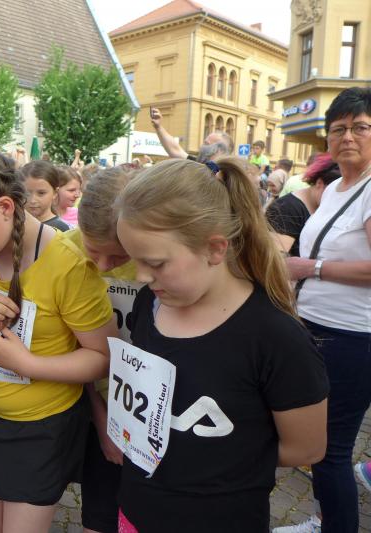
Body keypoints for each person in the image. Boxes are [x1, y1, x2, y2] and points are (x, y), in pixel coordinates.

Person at [114, 158, 328, 532]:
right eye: (134, 260)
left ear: (215, 249)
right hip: (136, 508)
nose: (142, 277)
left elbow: (306, 448)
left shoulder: (276, 337)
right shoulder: (150, 303)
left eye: (156, 263)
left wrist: (212, 460)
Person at [0, 141, 115, 532]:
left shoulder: (67, 265)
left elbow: (102, 357)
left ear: (4, 207)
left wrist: (28, 364)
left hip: (40, 429)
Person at [276, 87, 371, 533]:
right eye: (338, 128)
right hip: (316, 326)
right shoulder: (333, 187)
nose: (347, 136)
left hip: (352, 337)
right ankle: (324, 518)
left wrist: (310, 267)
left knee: (330, 450)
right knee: (317, 444)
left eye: (360, 127)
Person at [72, 164, 140, 533]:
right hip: (93, 399)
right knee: (99, 509)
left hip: (146, 406)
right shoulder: (64, 249)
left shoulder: (156, 258)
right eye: (93, 250)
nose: (102, 266)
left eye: (118, 257)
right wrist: (102, 420)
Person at [266, 154, 340, 258]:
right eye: (337, 192)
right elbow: (277, 257)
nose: (339, 199)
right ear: (319, 183)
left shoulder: (324, 208)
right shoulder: (286, 208)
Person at [149, 106, 234, 160]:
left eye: (207, 144)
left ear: (221, 151)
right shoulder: (197, 164)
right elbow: (175, 150)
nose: (203, 147)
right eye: (205, 143)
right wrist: (158, 127)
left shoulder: (229, 177)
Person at [19, 160, 70, 231]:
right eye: (26, 193)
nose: (32, 200)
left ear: (55, 193)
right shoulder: (14, 224)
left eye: (41, 193)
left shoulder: (60, 229)